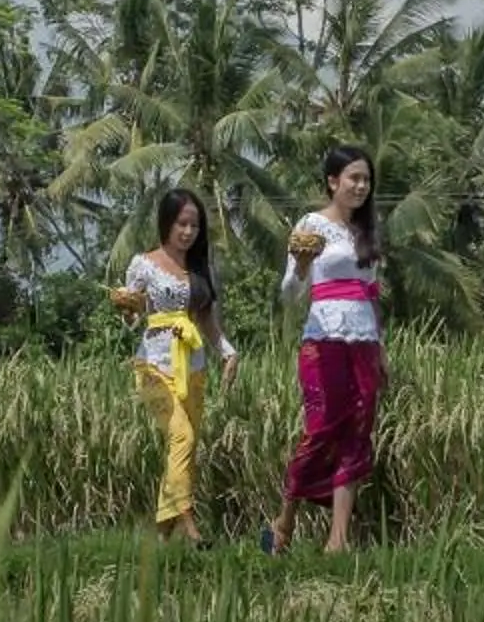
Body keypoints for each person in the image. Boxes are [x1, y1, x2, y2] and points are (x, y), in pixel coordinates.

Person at [267, 146, 384, 555]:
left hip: (364, 341)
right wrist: (300, 265)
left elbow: (372, 293)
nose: (360, 186)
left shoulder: (368, 230)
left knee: (357, 432)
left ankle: (338, 539)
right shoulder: (311, 225)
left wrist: (380, 347)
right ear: (333, 181)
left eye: (366, 180)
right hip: (324, 338)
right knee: (320, 429)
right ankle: (284, 520)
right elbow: (290, 294)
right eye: (353, 178)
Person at [110, 186, 238, 542]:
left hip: (193, 365)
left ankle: (161, 532)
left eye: (194, 226)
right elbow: (132, 320)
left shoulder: (201, 268)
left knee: (188, 444)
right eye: (182, 224)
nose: (188, 232)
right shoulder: (143, 264)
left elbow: (207, 321)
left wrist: (228, 352)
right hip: (153, 364)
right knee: (180, 435)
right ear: (167, 223)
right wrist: (127, 309)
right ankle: (189, 526)